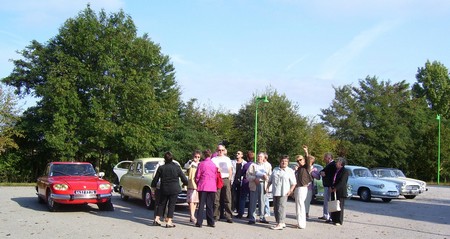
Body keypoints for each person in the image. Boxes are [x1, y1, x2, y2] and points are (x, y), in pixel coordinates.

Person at [151, 151, 188, 228]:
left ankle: (157, 219)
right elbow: (183, 178)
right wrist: (185, 183)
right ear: (172, 159)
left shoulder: (161, 168)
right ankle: (169, 221)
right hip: (174, 189)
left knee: (161, 204)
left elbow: (155, 179)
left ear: (164, 159)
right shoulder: (177, 167)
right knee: (171, 205)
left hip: (164, 188)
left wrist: (153, 186)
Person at [266, 155, 296, 230]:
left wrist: (291, 190)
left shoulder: (290, 171)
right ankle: (280, 222)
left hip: (284, 192)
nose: (284, 162)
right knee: (275, 208)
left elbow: (294, 183)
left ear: (288, 162)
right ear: (280, 161)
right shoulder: (276, 169)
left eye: (286, 161)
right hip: (275, 191)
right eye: (282, 161)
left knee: (281, 207)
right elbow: (270, 180)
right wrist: (267, 187)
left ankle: (280, 223)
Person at [195, 149, 217, 228]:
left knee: (201, 205)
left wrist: (198, 183)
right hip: (212, 186)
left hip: (203, 186)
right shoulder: (213, 165)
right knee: (210, 205)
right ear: (210, 155)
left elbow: (197, 176)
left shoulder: (201, 164)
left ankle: (199, 222)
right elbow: (215, 176)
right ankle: (211, 222)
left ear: (204, 155)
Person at [212, 144, 234, 223]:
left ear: (224, 151)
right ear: (217, 151)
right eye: (219, 150)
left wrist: (230, 178)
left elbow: (230, 169)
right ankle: (215, 215)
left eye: (222, 150)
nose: (221, 151)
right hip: (217, 179)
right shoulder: (214, 159)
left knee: (227, 198)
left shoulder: (227, 159)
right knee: (216, 198)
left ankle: (228, 216)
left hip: (226, 179)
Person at [246, 152, 270, 224]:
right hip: (254, 185)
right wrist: (254, 178)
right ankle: (252, 218)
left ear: (264, 158)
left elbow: (270, 176)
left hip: (263, 184)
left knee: (262, 201)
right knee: (253, 201)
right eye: (258, 157)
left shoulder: (267, 166)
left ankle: (262, 217)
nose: (259, 158)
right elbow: (247, 176)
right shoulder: (253, 165)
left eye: (261, 157)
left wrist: (266, 177)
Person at [294, 146, 312, 229]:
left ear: (303, 160)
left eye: (300, 160)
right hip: (298, 188)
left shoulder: (306, 167)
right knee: (298, 205)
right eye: (297, 160)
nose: (299, 161)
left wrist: (306, 152)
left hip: (302, 188)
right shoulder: (299, 169)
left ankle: (302, 224)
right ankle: (299, 222)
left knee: (301, 205)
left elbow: (308, 160)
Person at [330, 157, 349, 226]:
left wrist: (336, 188)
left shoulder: (345, 171)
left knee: (339, 206)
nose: (336, 163)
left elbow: (342, 182)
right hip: (333, 189)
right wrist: (331, 187)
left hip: (340, 191)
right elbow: (333, 179)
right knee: (334, 204)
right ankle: (334, 219)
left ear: (341, 163)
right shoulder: (336, 170)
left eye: (337, 162)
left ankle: (339, 220)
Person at [184, 150, 201, 223]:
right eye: (195, 156)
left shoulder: (200, 164)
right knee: (191, 200)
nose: (197, 158)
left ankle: (192, 215)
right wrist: (191, 161)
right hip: (191, 183)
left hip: (198, 184)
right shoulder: (191, 163)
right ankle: (192, 215)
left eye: (198, 157)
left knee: (195, 201)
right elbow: (185, 167)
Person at [319, 152, 336, 223]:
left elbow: (331, 177)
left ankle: (329, 216)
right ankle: (325, 214)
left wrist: (330, 186)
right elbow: (323, 171)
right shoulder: (329, 165)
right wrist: (322, 172)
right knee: (326, 201)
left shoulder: (332, 165)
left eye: (325, 158)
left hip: (329, 186)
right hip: (326, 185)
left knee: (328, 201)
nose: (324, 159)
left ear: (329, 158)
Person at [236, 151, 254, 219]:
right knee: (251, 199)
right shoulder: (254, 165)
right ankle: (250, 213)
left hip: (245, 181)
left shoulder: (246, 165)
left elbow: (242, 173)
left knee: (242, 198)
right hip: (252, 182)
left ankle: (240, 213)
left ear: (247, 157)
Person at [305, 155, 321, 219]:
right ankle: (301, 212)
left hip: (309, 186)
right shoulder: (304, 167)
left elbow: (318, 177)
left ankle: (306, 213)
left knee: (307, 200)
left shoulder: (314, 169)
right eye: (309, 160)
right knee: (302, 201)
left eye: (311, 160)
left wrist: (312, 173)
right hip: (302, 186)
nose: (309, 161)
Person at [262, 153, 272, 218]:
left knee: (265, 198)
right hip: (262, 182)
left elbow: (269, 174)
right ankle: (263, 211)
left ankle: (267, 212)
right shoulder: (262, 164)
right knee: (263, 198)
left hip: (265, 182)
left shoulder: (267, 165)